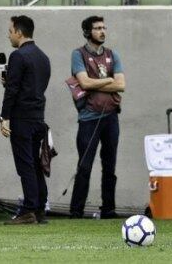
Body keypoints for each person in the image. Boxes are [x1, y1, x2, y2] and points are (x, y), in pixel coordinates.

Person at [69, 16, 125, 219]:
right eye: (97, 28)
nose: (102, 31)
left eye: (104, 27)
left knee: (110, 165)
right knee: (84, 165)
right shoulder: (79, 54)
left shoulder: (112, 55)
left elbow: (121, 85)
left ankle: (108, 209)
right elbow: (84, 83)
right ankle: (76, 211)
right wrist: (108, 79)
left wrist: (101, 82)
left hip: (111, 118)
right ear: (87, 32)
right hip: (88, 119)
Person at [0, 15, 51, 225]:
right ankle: (39, 209)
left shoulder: (18, 56)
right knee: (35, 165)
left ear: (19, 32)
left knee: (25, 165)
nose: (8, 34)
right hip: (38, 117)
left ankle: (28, 209)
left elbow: (13, 90)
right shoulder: (43, 57)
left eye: (10, 31)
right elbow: (32, 86)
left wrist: (5, 117)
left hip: (21, 118)